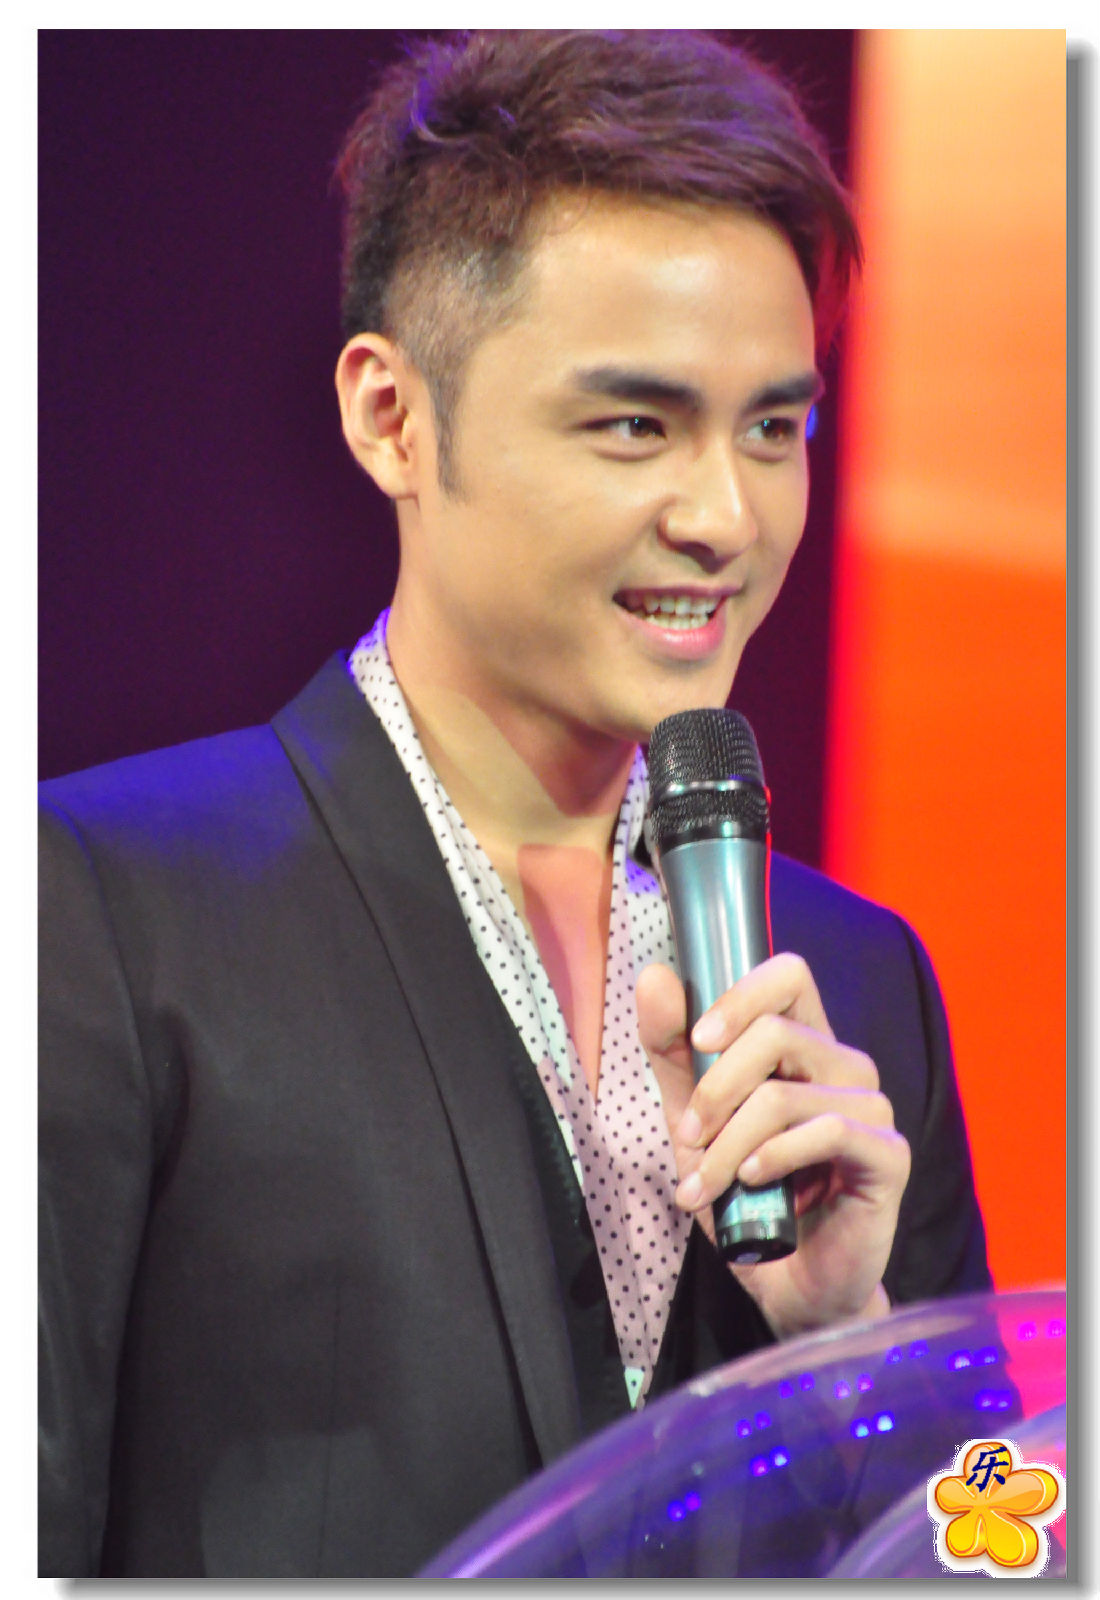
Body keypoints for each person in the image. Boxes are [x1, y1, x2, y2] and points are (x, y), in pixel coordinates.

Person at [38, 30, 990, 1580]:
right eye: (635, 424)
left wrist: (847, 1352)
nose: (726, 516)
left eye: (776, 427)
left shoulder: (860, 978)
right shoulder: (101, 911)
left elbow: (974, 1546)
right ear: (392, 418)